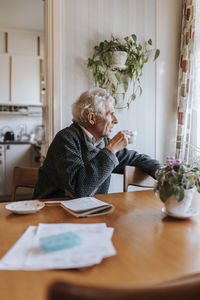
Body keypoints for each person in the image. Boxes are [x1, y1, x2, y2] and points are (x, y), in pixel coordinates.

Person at [33, 88, 161, 199]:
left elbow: (135, 159)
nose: (115, 120)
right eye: (110, 114)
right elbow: (78, 190)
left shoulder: (102, 142)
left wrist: (163, 173)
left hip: (86, 212)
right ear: (92, 118)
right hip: (52, 211)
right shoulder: (66, 139)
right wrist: (111, 149)